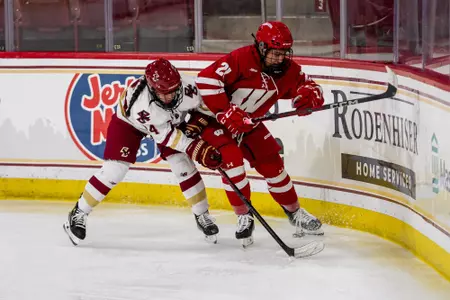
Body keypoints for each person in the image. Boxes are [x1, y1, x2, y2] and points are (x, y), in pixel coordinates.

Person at [191, 21, 325, 247]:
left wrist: (308, 96)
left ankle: (295, 213)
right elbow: (205, 80)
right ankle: (244, 216)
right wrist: (225, 111)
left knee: (273, 165)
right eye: (274, 53)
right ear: (261, 47)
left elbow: (310, 85)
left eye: (284, 53)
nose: (279, 58)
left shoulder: (288, 70)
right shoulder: (242, 59)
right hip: (217, 123)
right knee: (232, 164)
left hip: (249, 124)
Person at [63, 58, 223, 246]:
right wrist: (198, 148)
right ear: (152, 89)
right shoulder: (142, 106)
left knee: (182, 164)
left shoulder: (188, 87)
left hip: (168, 122)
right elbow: (168, 138)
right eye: (164, 93)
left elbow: (206, 105)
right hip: (129, 123)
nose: (170, 97)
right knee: (114, 170)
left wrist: (199, 121)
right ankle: (79, 212)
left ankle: (202, 214)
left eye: (173, 91)